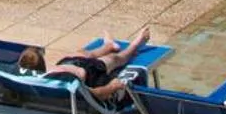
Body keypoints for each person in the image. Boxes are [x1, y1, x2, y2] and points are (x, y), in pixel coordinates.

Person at [17, 29, 152, 100]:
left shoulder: (26, 82)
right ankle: (135, 45)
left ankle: (109, 45)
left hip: (70, 64)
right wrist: (113, 86)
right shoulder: (67, 85)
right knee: (115, 59)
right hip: (90, 72)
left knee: (82, 53)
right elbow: (96, 94)